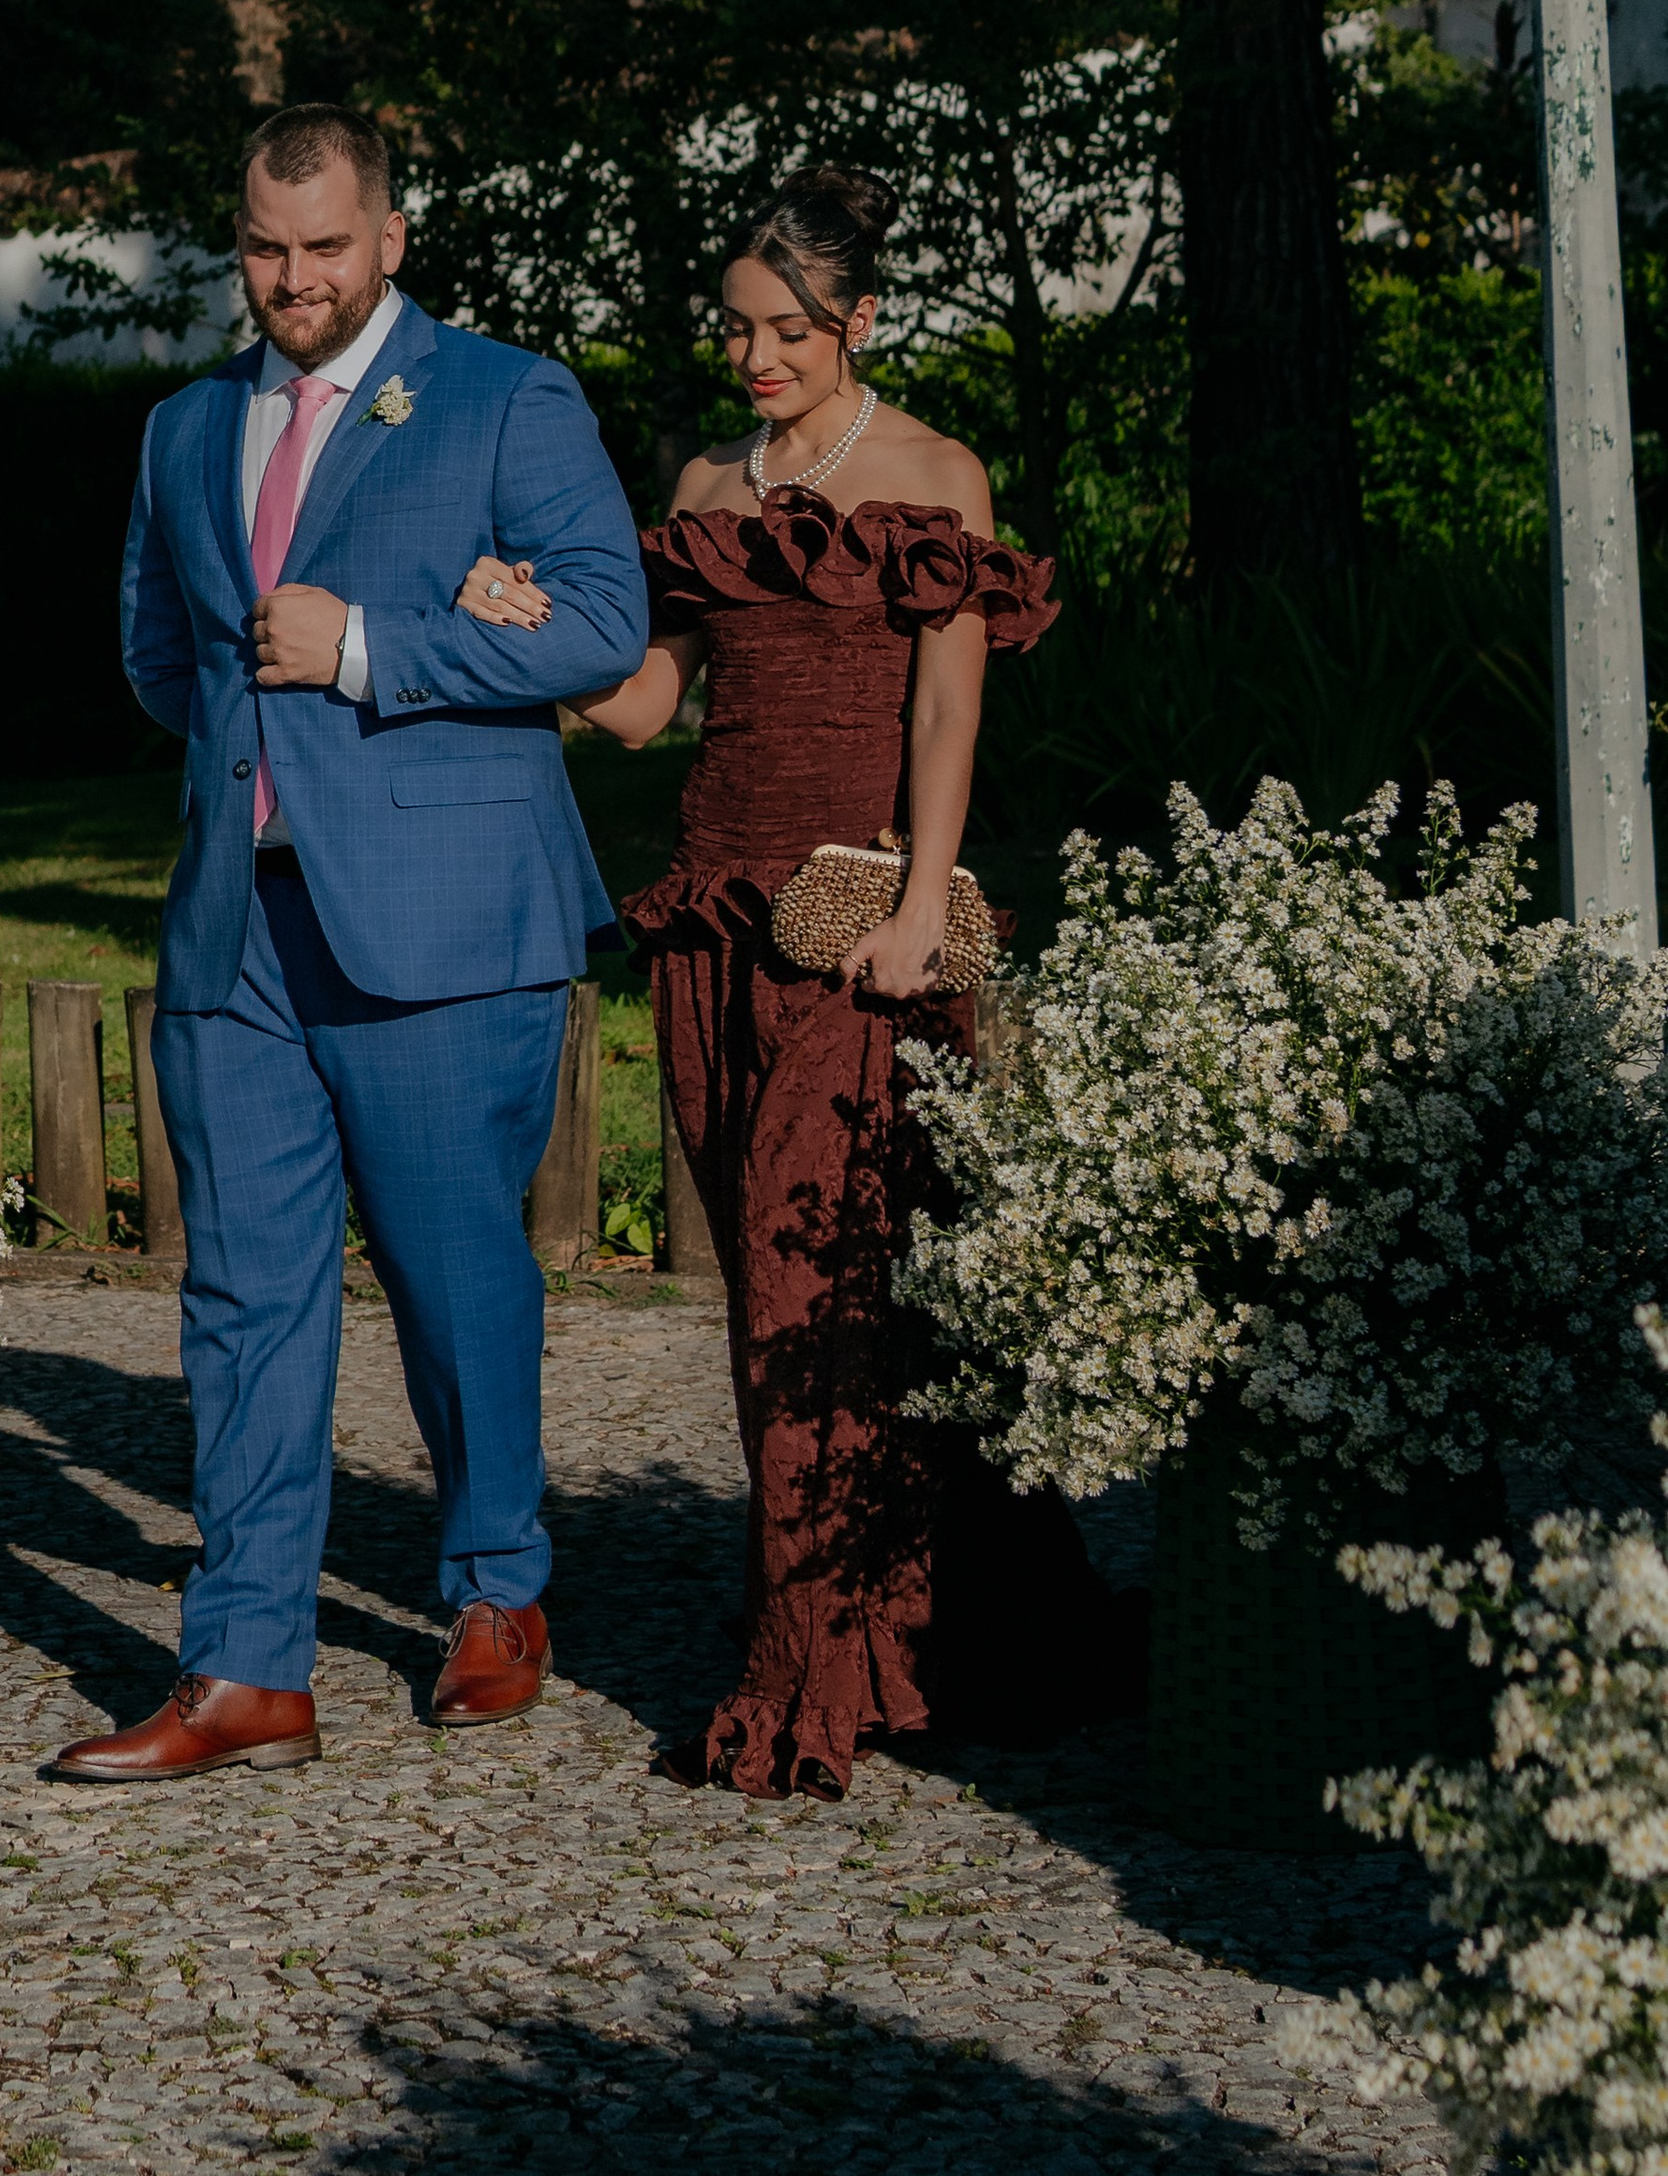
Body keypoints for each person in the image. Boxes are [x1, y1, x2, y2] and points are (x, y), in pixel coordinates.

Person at [54, 102, 650, 1789]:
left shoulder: (504, 395)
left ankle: (494, 1590)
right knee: (241, 1296)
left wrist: (378, 647)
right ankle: (247, 1664)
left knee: (456, 1280)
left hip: (447, 925)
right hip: (237, 926)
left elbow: (607, 625)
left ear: (391, 236)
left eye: (325, 245)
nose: (294, 278)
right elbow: (160, 655)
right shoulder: (182, 428)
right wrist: (261, 765)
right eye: (264, 246)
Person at [462, 169, 1066, 1799]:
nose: (754, 358)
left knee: (833, 1302)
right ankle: (882, 1628)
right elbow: (647, 706)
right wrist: (529, 631)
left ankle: (816, 1677)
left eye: (786, 330)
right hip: (717, 935)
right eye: (737, 330)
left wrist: (927, 907)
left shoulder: (940, 475)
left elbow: (949, 719)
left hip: (869, 939)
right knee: (774, 1302)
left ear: (857, 320)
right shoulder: (708, 483)